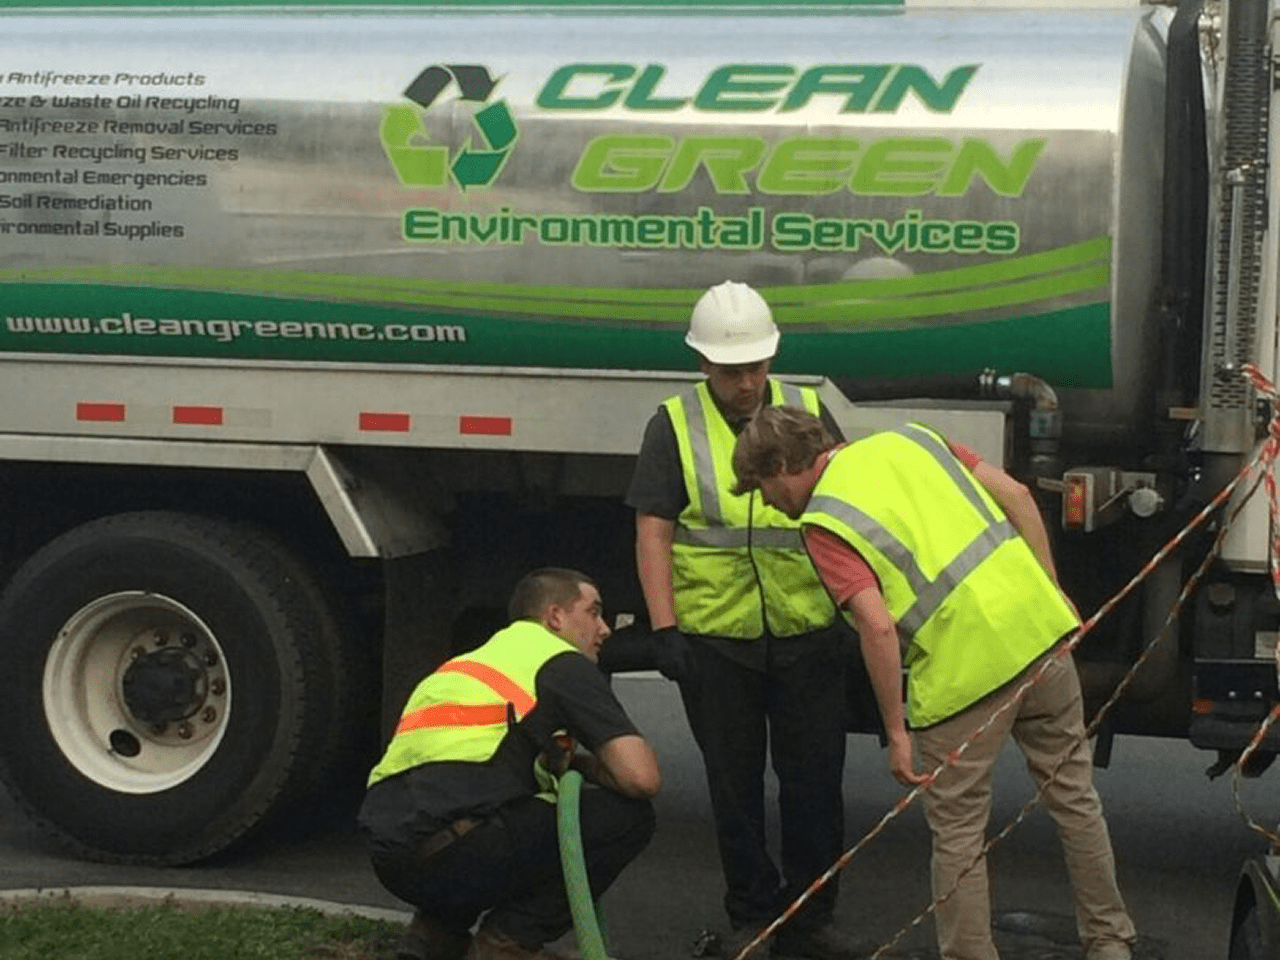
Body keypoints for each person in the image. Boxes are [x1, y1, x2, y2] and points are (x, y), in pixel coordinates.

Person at [729, 406, 1137, 960]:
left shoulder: (824, 524)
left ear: (780, 465)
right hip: (1039, 637)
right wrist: (1050, 587)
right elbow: (1017, 495)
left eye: (761, 487)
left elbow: (876, 625)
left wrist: (895, 730)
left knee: (960, 832)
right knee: (1075, 800)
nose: (767, 502)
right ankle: (1110, 942)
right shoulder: (914, 438)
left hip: (962, 672)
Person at [625, 280, 860, 960]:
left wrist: (852, 607)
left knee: (815, 783)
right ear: (703, 364)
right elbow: (654, 532)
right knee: (734, 790)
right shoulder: (672, 423)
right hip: (715, 640)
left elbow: (848, 508)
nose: (747, 382)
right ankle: (754, 912)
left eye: (757, 366)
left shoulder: (810, 408)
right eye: (733, 371)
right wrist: (666, 629)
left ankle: (814, 918)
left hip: (808, 631)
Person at [359, 568, 661, 960]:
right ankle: (507, 942)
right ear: (555, 617)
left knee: (490, 803)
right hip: (458, 853)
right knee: (629, 817)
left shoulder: (466, 664)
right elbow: (642, 778)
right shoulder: (560, 663)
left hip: (391, 858)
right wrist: (583, 766)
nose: (605, 629)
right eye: (593, 613)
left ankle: (434, 935)